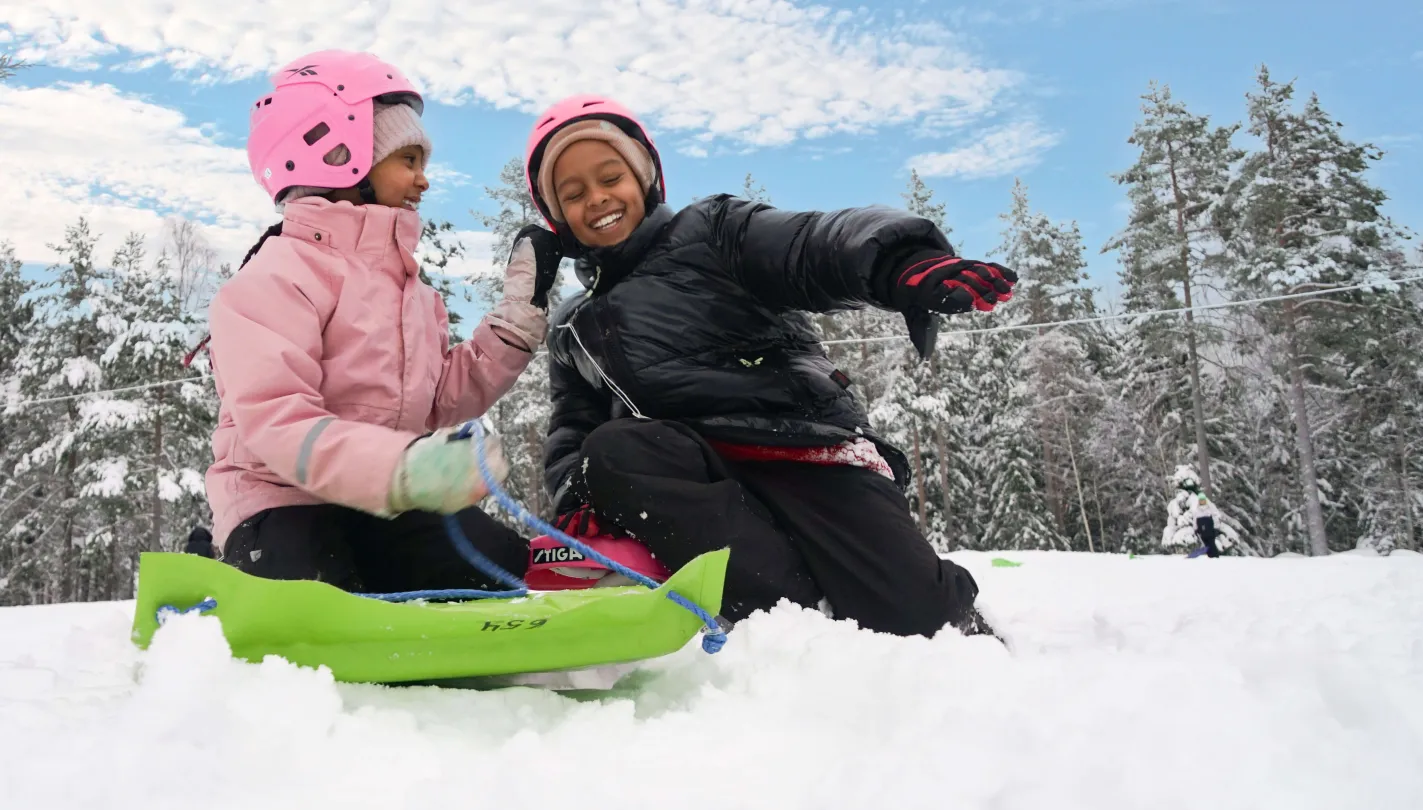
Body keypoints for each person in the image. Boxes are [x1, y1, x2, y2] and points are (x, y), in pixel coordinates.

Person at [520, 95, 1018, 638]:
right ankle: (795, 622)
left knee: (923, 623)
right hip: (699, 480)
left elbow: (810, 246)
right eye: (573, 193)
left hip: (804, 452)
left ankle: (930, 614)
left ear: (644, 178)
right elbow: (573, 423)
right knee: (612, 450)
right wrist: (577, 497)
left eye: (609, 177)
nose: (597, 199)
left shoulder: (713, 232)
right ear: (557, 216)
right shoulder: (572, 324)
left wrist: (901, 263)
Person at [201, 50, 556, 594]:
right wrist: (403, 468)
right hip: (282, 501)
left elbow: (437, 402)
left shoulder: (410, 292)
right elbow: (278, 422)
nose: (423, 180)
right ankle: (222, 559)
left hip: (388, 504)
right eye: (408, 160)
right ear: (337, 153)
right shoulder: (273, 279)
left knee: (498, 569)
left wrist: (510, 328)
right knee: (310, 583)